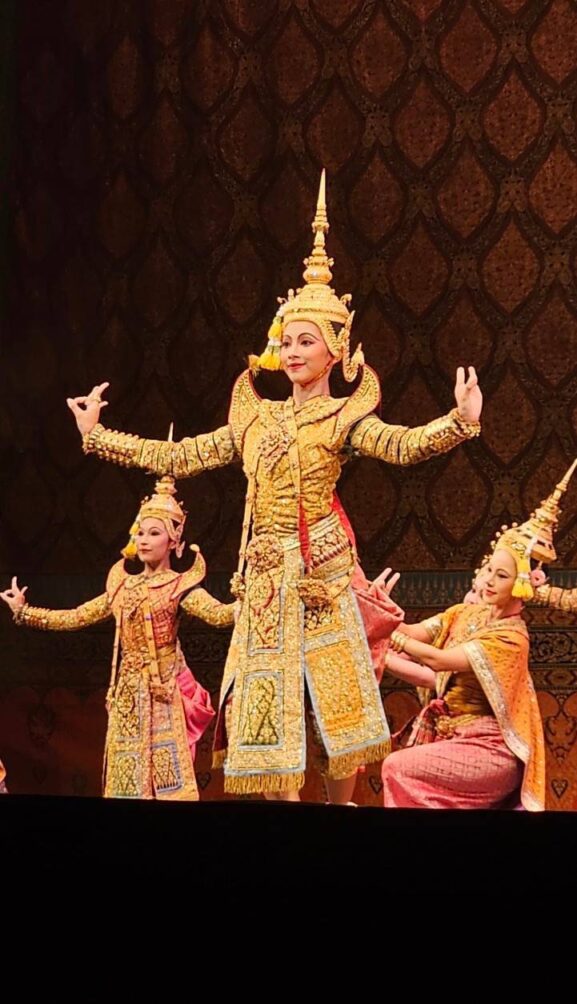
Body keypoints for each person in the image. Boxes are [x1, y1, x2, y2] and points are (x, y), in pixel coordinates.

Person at [66, 172, 482, 802]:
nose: (291, 351)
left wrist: (458, 422)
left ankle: (340, 809)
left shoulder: (341, 418)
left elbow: (400, 445)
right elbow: (181, 453)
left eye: (306, 341)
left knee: (340, 708)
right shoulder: (256, 418)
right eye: (285, 341)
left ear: (336, 350)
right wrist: (100, 436)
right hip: (264, 578)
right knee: (263, 711)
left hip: (321, 576)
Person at [0, 475, 234, 800]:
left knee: (169, 784)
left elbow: (219, 615)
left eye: (154, 533)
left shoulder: (178, 586)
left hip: (163, 694)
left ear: (174, 541)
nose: (144, 540)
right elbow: (77, 616)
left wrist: (252, 598)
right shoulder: (122, 586)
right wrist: (25, 612)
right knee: (126, 783)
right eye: (140, 532)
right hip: (128, 697)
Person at [380, 464, 577, 811]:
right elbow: (412, 631)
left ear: (520, 584)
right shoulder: (465, 613)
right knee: (400, 767)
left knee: (398, 767)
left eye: (501, 576)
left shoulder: (511, 637)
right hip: (454, 737)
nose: (487, 581)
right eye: (488, 569)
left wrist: (392, 640)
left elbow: (437, 660)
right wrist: (380, 608)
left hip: (490, 750)